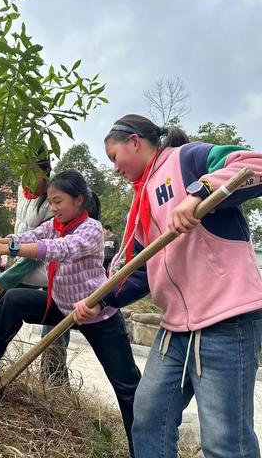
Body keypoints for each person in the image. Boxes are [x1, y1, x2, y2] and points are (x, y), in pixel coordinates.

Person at [102, 114, 262, 458]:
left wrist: (200, 193)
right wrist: (100, 301)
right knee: (147, 420)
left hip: (225, 319)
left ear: (134, 141)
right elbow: (142, 272)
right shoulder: (141, 198)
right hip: (175, 328)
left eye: (115, 157)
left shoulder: (186, 158)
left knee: (224, 442)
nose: (115, 168)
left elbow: (253, 164)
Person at [0, 170, 141, 457]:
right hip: (62, 307)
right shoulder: (54, 224)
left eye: (58, 201)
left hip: (97, 314)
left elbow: (60, 250)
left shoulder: (92, 229)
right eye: (50, 201)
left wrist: (10, 247)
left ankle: (143, 448)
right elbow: (30, 236)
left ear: (79, 200)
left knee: (126, 385)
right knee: (13, 300)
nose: (53, 207)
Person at [0, 155, 71, 383]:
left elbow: (42, 246)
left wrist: (7, 250)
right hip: (25, 254)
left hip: (48, 262)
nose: (24, 180)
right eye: (21, 172)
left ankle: (54, 378)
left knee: (57, 321)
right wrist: (2, 243)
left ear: (45, 172)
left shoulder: (54, 204)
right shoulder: (23, 191)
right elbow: (27, 234)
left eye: (30, 173)